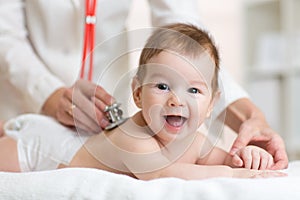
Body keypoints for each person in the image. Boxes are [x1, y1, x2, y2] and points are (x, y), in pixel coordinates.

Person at [0, 1, 288, 169]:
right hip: (28, 111)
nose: (177, 100)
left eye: (194, 91)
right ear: (138, 93)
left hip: (99, 118)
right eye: (163, 87)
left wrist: (250, 139)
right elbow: (5, 34)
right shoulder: (136, 143)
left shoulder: (192, 142)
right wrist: (47, 93)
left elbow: (187, 42)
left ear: (213, 102)